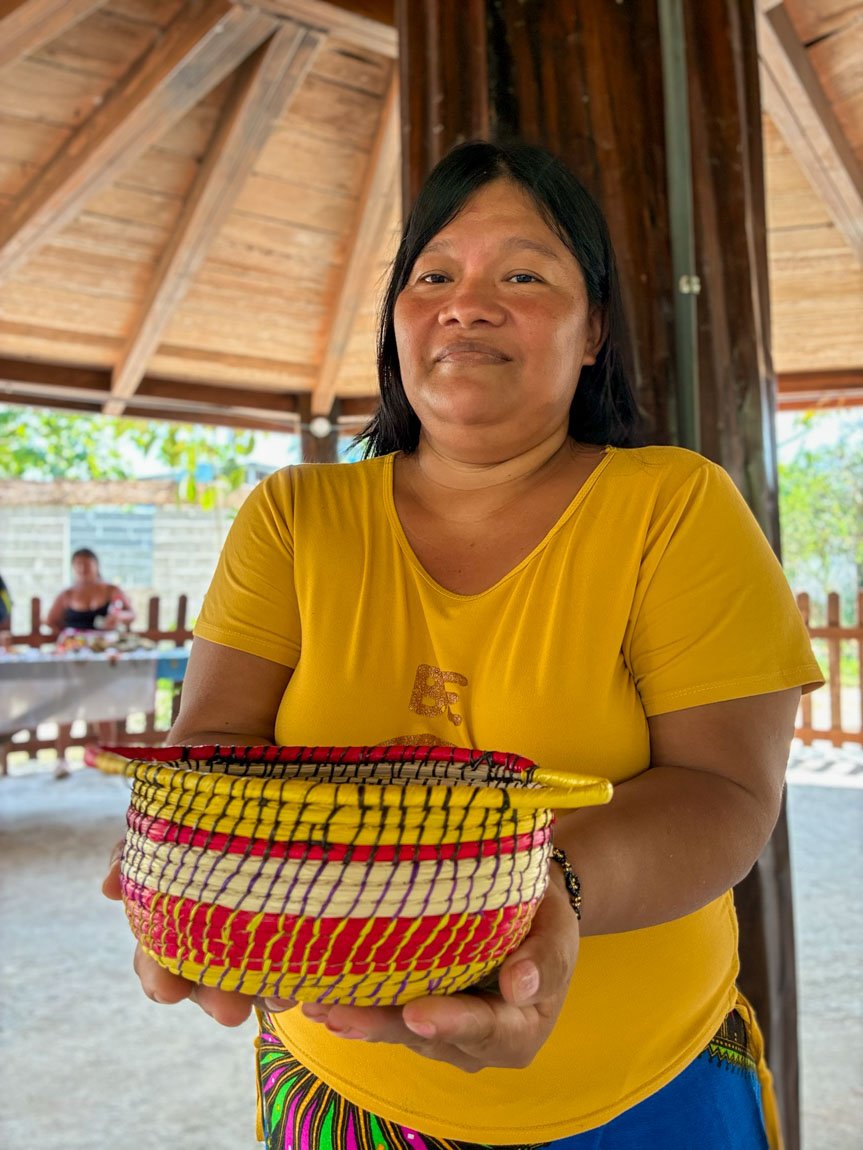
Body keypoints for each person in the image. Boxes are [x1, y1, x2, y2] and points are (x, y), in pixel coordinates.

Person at [103, 140, 822, 1150]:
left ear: (592, 331)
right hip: (338, 1084)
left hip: (639, 1097)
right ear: (397, 319)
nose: (464, 302)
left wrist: (543, 894)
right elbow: (215, 741)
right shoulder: (292, 518)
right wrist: (179, 852)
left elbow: (725, 795)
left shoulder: (674, 507)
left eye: (521, 275)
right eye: (431, 274)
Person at [45, 548, 134, 636]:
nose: (83, 568)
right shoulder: (66, 594)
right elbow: (50, 621)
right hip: (75, 645)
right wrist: (64, 636)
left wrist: (119, 616)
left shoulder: (112, 590)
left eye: (87, 564)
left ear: (97, 565)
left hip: (106, 644)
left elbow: (132, 614)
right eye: (78, 564)